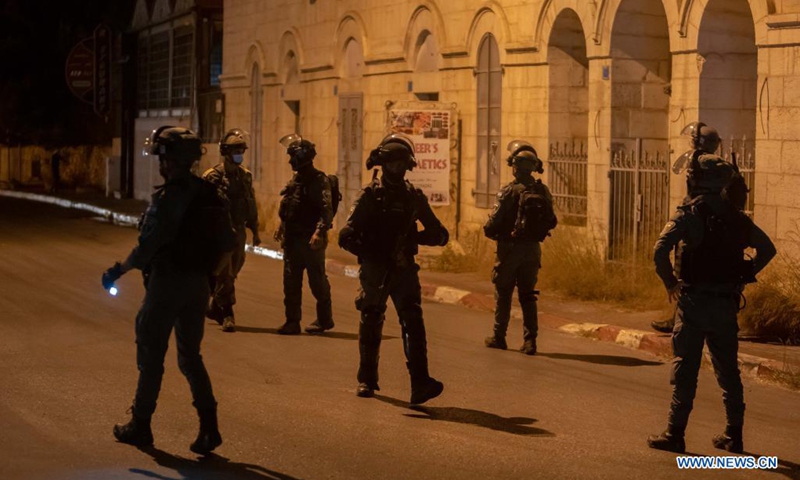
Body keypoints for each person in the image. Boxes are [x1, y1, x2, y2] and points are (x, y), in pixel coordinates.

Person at [102, 126, 233, 454]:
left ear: (171, 160)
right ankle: (209, 428)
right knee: (191, 357)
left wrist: (118, 271)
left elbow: (149, 245)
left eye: (162, 157)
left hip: (167, 283)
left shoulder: (171, 196)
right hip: (198, 285)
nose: (160, 163)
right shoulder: (209, 193)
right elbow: (229, 242)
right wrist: (210, 277)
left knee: (150, 354)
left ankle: (141, 425)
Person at [647, 153, 775, 454]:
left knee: (685, 369)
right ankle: (734, 435)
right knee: (728, 371)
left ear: (697, 179)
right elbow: (767, 249)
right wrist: (744, 275)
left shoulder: (689, 214)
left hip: (694, 303)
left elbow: (659, 250)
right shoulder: (737, 217)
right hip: (725, 304)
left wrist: (670, 284)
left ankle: (674, 433)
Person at [338, 133, 449, 404]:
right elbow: (346, 236)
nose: (397, 169)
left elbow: (440, 234)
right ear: (383, 165)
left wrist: (415, 238)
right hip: (375, 269)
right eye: (392, 164)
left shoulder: (414, 197)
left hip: (403, 269)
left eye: (401, 164)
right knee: (371, 319)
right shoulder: (370, 195)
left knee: (413, 322)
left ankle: (420, 383)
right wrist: (371, 252)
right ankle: (366, 379)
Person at [483, 140, 557, 356]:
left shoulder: (508, 192)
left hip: (509, 251)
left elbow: (492, 225)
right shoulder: (543, 190)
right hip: (533, 251)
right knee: (528, 295)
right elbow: (552, 221)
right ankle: (530, 341)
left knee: (503, 293)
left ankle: (499, 336)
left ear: (514, 167)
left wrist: (492, 232)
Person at [651, 122, 722, 334]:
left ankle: (679, 320)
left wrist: (670, 282)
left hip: (696, 226)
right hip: (711, 230)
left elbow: (659, 250)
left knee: (688, 271)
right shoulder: (716, 168)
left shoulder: (702, 165)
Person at [274, 134, 335, 335]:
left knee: (317, 282)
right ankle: (292, 321)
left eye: (293, 157)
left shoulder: (319, 180)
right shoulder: (296, 179)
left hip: (310, 241)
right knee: (290, 283)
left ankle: (325, 319)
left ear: (302, 157)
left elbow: (326, 210)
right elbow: (290, 205)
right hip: (292, 240)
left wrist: (319, 232)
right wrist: (282, 225)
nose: (290, 161)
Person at [203, 128, 261, 333]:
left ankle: (215, 306)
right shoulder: (212, 177)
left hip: (238, 231)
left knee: (234, 268)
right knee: (225, 272)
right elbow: (203, 207)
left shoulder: (245, 176)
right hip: (220, 234)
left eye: (241, 151)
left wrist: (255, 230)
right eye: (236, 151)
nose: (240, 155)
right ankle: (227, 312)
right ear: (226, 153)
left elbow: (250, 203)